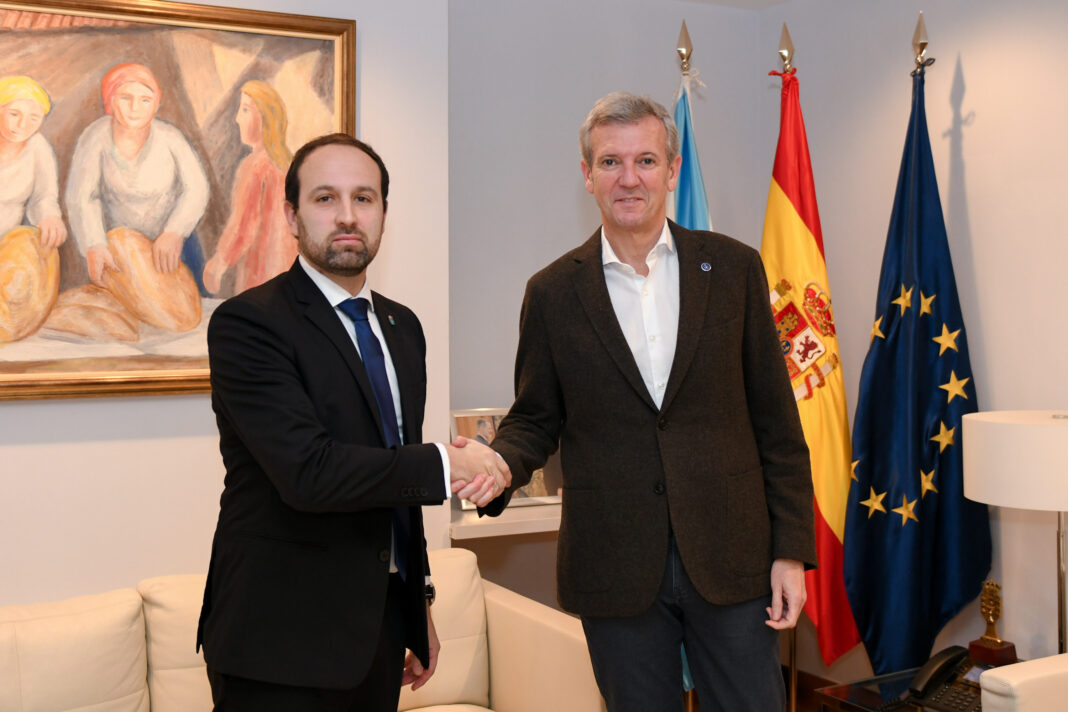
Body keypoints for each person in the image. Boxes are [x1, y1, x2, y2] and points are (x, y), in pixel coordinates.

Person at [483, 92, 816, 712]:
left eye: (645, 160)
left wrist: (790, 551)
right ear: (587, 175)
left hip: (734, 558)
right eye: (610, 162)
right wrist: (497, 464)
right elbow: (534, 417)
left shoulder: (735, 269)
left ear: (673, 169)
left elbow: (777, 421)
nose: (629, 178)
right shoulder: (552, 293)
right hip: (615, 565)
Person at [196, 132, 510, 711]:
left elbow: (394, 479)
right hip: (276, 645)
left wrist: (417, 606)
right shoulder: (249, 323)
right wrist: (447, 463)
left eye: (364, 198)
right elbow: (309, 473)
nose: (347, 215)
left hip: (376, 637)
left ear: (384, 213)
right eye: (325, 198)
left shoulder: (402, 327)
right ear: (291, 216)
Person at [66, 62, 210, 293]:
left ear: (156, 103)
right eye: (126, 98)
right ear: (110, 100)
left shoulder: (171, 138)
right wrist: (94, 244)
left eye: (145, 100)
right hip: (121, 250)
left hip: (172, 246)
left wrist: (174, 231)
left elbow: (197, 188)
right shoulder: (95, 137)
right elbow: (82, 196)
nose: (135, 108)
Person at [203, 80, 297, 296]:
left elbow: (244, 225)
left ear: (264, 117)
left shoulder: (255, 166)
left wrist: (219, 263)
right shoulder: (291, 166)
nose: (237, 118)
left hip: (259, 275)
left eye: (245, 110)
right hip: (290, 277)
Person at [0, 75, 66, 247]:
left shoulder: (38, 147)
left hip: (9, 243)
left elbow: (44, 196)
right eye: (14, 114)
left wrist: (49, 216)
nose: (22, 125)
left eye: (34, 118)